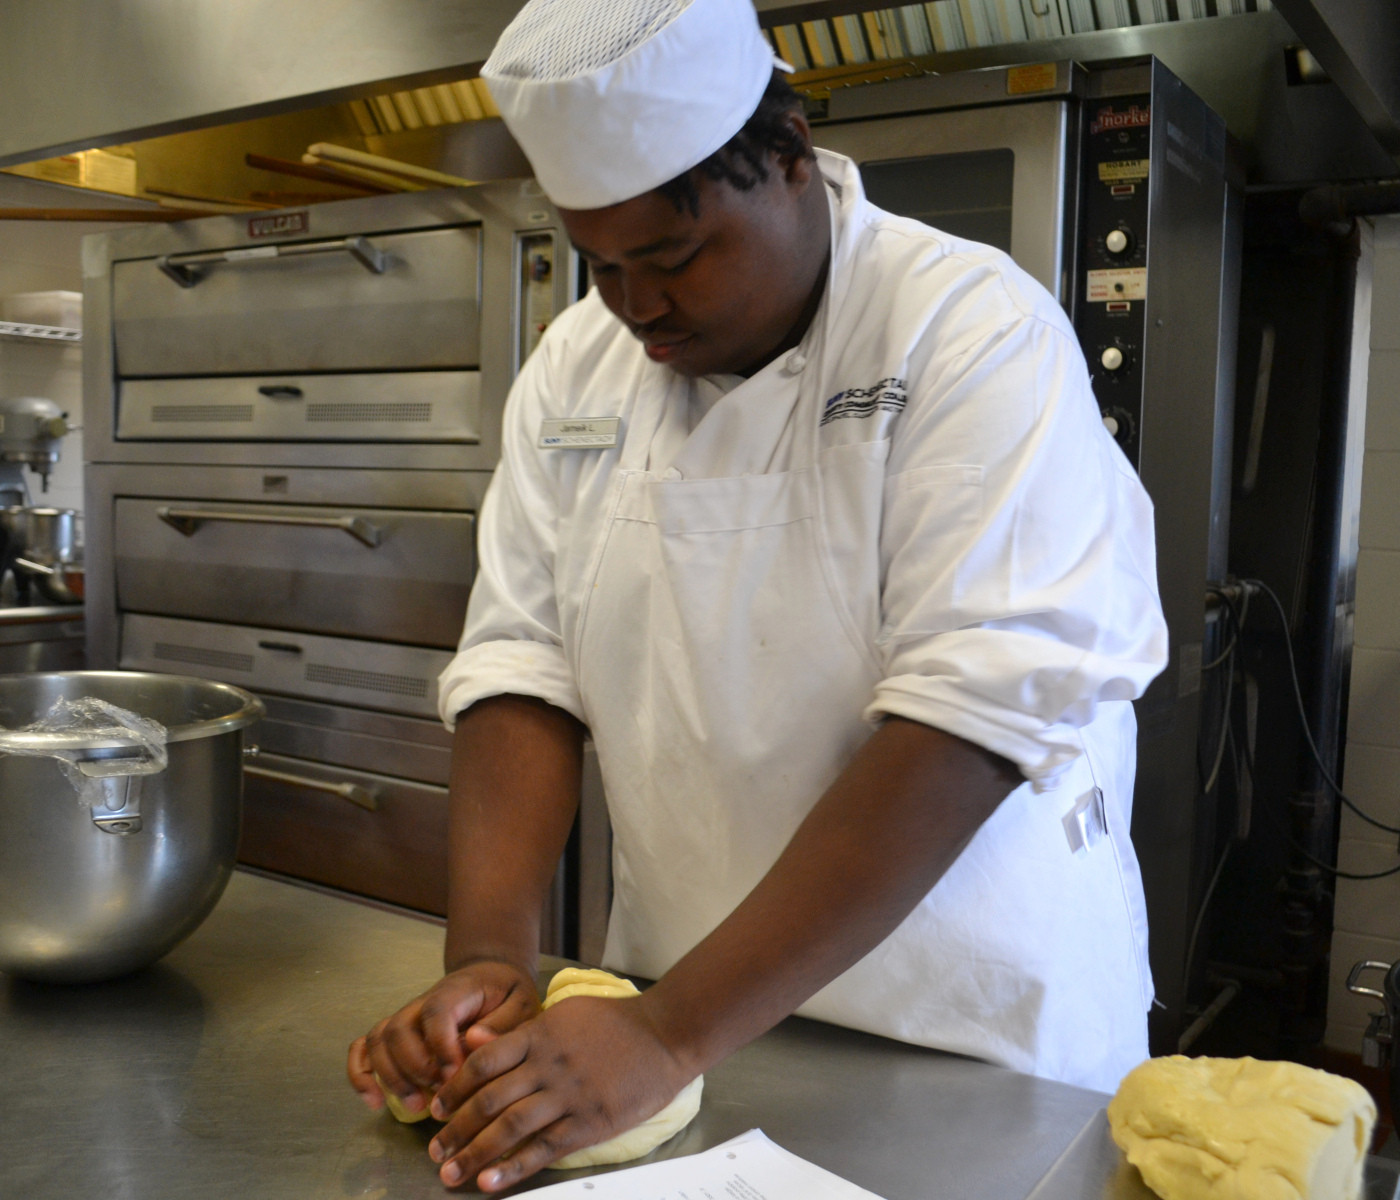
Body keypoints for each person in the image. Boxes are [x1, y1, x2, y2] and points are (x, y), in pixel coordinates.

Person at [345, 0, 1168, 1190]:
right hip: (693, 1026)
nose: (635, 307)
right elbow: (523, 662)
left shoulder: (968, 332)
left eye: (673, 258)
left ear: (788, 163)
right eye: (602, 264)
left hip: (973, 1040)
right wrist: (491, 957)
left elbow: (971, 720)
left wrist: (672, 1029)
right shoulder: (579, 365)